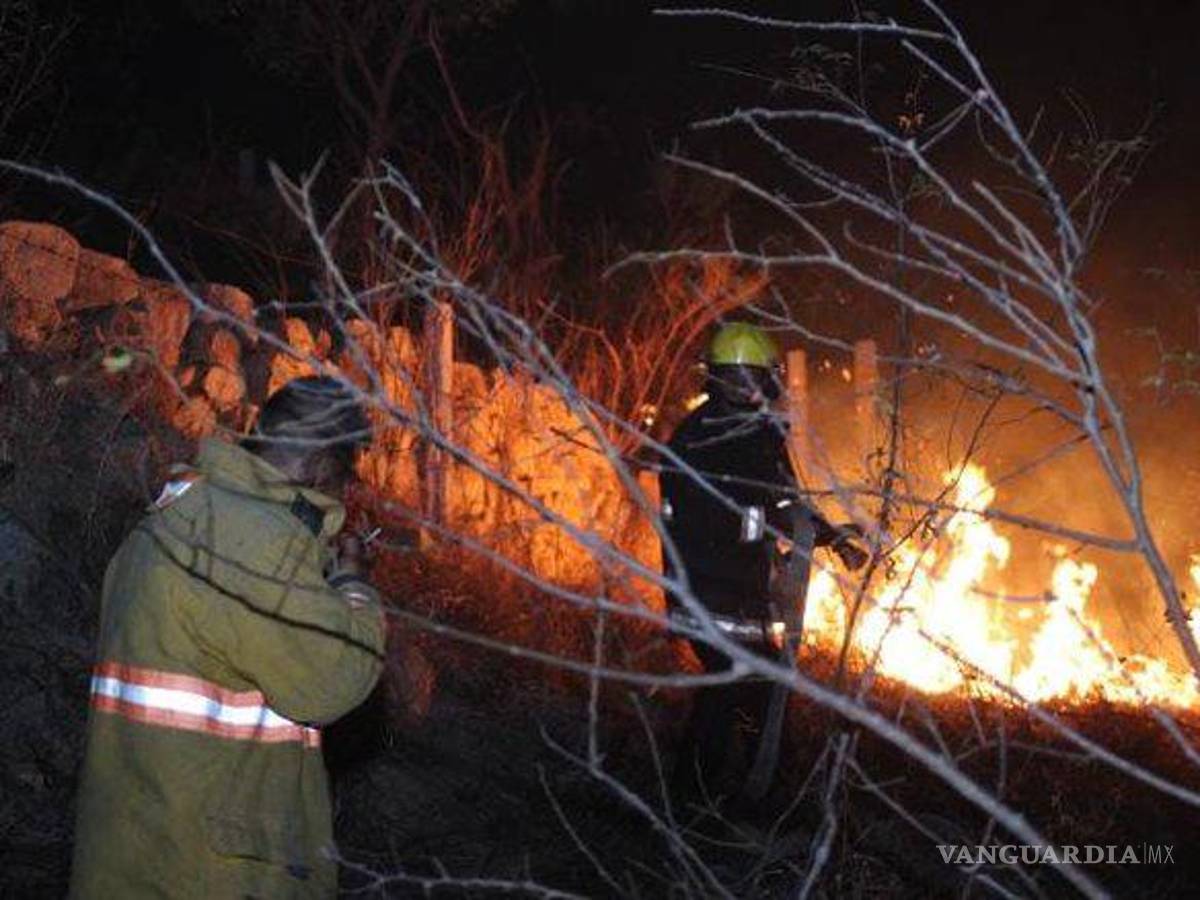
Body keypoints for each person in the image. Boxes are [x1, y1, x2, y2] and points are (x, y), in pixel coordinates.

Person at [69, 376, 387, 899]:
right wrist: (355, 585)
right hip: (208, 868)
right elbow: (335, 679)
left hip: (133, 847)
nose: (342, 497)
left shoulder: (178, 515)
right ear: (318, 467)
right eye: (342, 481)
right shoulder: (257, 544)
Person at [660, 323, 865, 809]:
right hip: (722, 596)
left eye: (757, 378)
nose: (755, 389)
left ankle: (710, 794)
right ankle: (728, 799)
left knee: (734, 689)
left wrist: (832, 537)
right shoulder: (728, 440)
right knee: (748, 689)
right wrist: (819, 536)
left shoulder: (713, 433)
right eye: (747, 379)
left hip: (705, 594)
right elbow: (768, 505)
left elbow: (783, 501)